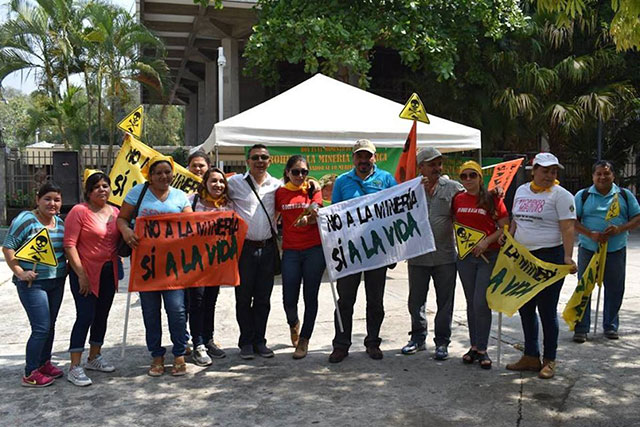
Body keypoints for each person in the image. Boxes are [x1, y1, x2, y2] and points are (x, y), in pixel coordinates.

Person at [117, 154, 193, 377]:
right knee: (150, 312)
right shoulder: (137, 193)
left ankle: (179, 352)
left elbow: (192, 225)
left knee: (177, 310)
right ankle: (156, 355)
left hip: (174, 265)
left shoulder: (180, 196)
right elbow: (121, 218)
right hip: (146, 264)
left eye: (167, 172)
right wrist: (127, 231)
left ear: (173, 174)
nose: (163, 176)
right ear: (149, 175)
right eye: (158, 172)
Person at [506, 152, 577, 379]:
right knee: (525, 307)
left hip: (550, 258)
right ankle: (530, 355)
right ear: (533, 169)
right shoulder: (521, 190)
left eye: (554, 171)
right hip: (523, 259)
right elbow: (516, 221)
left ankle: (550, 359)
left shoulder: (562, 195)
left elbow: (567, 228)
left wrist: (567, 257)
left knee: (546, 310)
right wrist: (510, 245)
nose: (549, 175)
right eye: (545, 170)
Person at [328, 139, 397, 363]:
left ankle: (373, 342)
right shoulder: (341, 181)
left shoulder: (386, 179)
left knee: (375, 301)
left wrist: (394, 250)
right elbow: (334, 216)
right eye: (360, 156)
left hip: (378, 252)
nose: (364, 160)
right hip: (350, 253)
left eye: (368, 156)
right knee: (345, 301)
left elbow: (397, 212)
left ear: (375, 158)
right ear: (353, 158)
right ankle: (341, 345)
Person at [2, 182, 67, 387]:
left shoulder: (60, 223)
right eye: (47, 199)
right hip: (33, 284)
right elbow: (8, 247)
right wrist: (21, 272)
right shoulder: (26, 220)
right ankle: (30, 372)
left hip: (56, 281)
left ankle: (44, 363)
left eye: (56, 199)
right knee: (41, 327)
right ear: (37, 200)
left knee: (50, 326)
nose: (52, 203)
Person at [401, 147, 463, 361]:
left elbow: (473, 202)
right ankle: (418, 338)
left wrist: (495, 193)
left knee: (445, 301)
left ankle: (442, 342)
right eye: (431, 164)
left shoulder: (453, 188)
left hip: (445, 256)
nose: (436, 168)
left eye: (439, 164)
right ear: (421, 167)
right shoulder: (409, 189)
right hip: (418, 256)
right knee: (415, 300)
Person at [572, 160, 640, 342]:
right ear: (593, 176)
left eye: (606, 173)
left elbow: (637, 218)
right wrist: (590, 234)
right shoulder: (583, 195)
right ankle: (581, 328)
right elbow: (572, 221)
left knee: (615, 288)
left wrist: (621, 228)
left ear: (613, 175)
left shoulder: (624, 195)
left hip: (616, 249)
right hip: (588, 249)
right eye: (598, 174)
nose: (602, 177)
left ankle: (610, 326)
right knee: (584, 288)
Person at [64, 170, 120, 386]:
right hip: (84, 273)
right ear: (88, 191)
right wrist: (81, 275)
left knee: (102, 316)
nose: (102, 189)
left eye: (105, 185)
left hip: (109, 272)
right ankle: (74, 366)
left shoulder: (115, 212)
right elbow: (69, 245)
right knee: (85, 316)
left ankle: (94, 357)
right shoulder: (79, 211)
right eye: (96, 186)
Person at [452, 161, 509, 369]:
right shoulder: (457, 199)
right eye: (464, 176)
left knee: (481, 302)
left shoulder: (492, 199)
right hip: (466, 258)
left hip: (489, 256)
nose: (468, 180)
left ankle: (484, 348)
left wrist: (486, 241)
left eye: (472, 175)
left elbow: (505, 227)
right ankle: (474, 346)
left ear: (480, 177)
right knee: (470, 302)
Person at [227, 144, 282, 359]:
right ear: (247, 161)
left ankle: (260, 341)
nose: (260, 161)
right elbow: (210, 192)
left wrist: (312, 184)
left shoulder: (277, 185)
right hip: (243, 251)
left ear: (270, 161)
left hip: (267, 249)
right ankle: (245, 343)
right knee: (243, 298)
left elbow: (298, 192)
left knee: (263, 300)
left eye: (264, 157)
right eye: (256, 157)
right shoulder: (234, 184)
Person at [275, 155, 325, 359]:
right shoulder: (280, 193)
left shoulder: (313, 189)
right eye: (295, 171)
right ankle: (293, 323)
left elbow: (318, 210)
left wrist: (311, 216)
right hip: (291, 252)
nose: (300, 175)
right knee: (289, 298)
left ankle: (304, 340)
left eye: (304, 171)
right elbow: (272, 214)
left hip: (314, 250)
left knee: (310, 296)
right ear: (287, 172)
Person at [187, 167, 232, 365]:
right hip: (195, 262)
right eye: (213, 181)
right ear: (204, 182)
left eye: (221, 182)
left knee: (210, 301)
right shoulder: (191, 202)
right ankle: (197, 344)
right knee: (196, 302)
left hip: (216, 262)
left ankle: (208, 339)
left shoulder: (226, 205)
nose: (218, 185)